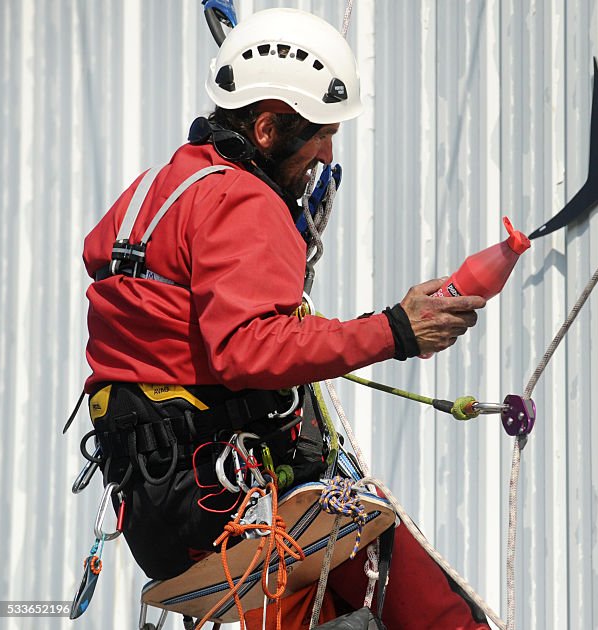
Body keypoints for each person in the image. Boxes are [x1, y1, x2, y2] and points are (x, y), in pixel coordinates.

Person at [81, 7, 489, 629]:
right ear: (267, 129)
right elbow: (247, 349)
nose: (327, 151)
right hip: (230, 500)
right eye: (319, 133)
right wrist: (398, 329)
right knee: (437, 611)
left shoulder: (155, 191)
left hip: (158, 516)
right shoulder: (241, 199)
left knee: (324, 610)